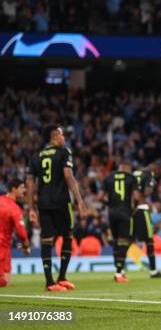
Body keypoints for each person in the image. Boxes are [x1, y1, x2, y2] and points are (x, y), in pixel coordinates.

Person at [26, 125, 88, 291]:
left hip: (44, 203)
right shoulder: (64, 152)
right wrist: (80, 201)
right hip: (61, 202)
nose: (64, 138)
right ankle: (61, 277)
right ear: (54, 137)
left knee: (47, 239)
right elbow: (68, 176)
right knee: (67, 236)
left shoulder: (35, 156)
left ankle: (50, 282)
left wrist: (31, 208)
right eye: (62, 135)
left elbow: (30, 184)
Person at [101, 161, 140, 282]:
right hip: (125, 212)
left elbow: (101, 197)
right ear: (127, 168)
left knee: (116, 241)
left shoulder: (109, 177)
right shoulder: (131, 178)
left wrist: (110, 204)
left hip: (112, 213)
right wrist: (134, 208)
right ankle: (118, 272)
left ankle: (119, 270)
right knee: (124, 241)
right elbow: (137, 197)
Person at [133, 168, 161, 278]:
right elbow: (144, 192)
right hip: (141, 209)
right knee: (149, 240)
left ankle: (119, 271)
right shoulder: (147, 175)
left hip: (129, 209)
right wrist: (147, 202)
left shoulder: (134, 174)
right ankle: (153, 270)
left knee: (126, 239)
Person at [0, 179, 31, 287]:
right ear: (13, 189)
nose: (24, 190)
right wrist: (26, 246)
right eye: (22, 188)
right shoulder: (14, 209)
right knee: (5, 282)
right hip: (3, 246)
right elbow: (22, 232)